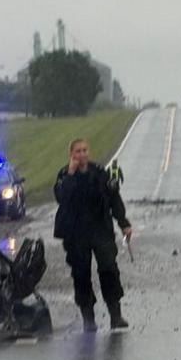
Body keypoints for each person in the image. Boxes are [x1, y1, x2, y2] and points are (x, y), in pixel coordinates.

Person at [53, 139, 132, 332]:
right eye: (77, 151)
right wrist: (71, 173)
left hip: (100, 229)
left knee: (109, 269)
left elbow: (114, 198)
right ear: (71, 154)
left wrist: (123, 223)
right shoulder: (64, 175)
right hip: (76, 233)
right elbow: (61, 197)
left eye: (84, 150)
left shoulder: (99, 172)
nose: (82, 154)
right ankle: (88, 319)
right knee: (81, 275)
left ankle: (116, 315)